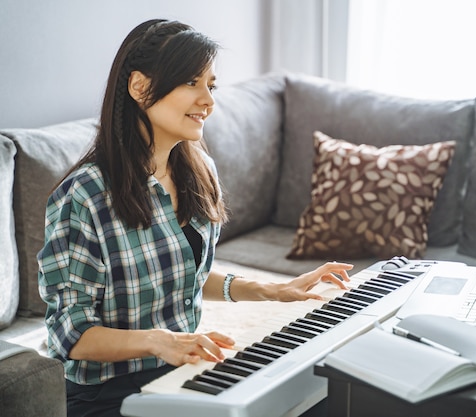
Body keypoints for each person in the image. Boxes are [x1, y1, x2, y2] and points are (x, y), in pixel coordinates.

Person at [37, 19, 353, 417]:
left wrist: (275, 290)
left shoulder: (198, 169)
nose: (208, 100)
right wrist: (158, 341)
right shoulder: (83, 197)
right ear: (139, 87)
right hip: (109, 394)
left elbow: (186, 274)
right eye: (191, 82)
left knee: (318, 394)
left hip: (181, 371)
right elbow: (71, 333)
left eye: (211, 85)